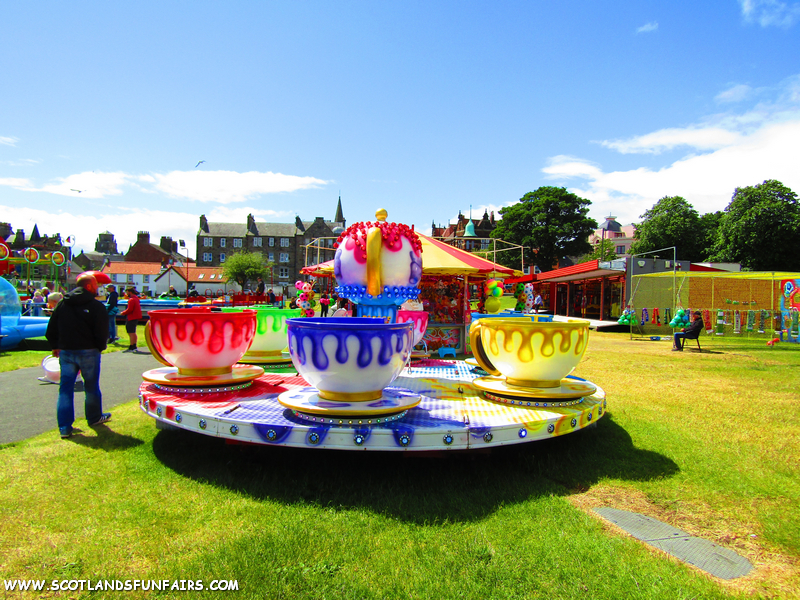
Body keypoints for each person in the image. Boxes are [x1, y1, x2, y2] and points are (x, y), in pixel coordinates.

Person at [45, 273, 110, 439]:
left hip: (67, 351)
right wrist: (99, 347)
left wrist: (55, 345)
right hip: (89, 351)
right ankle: (94, 417)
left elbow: (51, 328)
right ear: (88, 286)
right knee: (91, 386)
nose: (97, 288)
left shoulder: (62, 304)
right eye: (95, 285)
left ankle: (64, 427)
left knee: (65, 389)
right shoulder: (96, 306)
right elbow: (102, 331)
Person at [119, 287, 142, 352]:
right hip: (135, 317)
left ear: (130, 292)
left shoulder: (131, 299)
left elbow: (130, 309)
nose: (126, 294)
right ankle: (134, 346)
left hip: (131, 317)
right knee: (133, 332)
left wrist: (123, 313)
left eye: (127, 292)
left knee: (130, 332)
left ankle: (131, 346)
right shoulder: (136, 298)